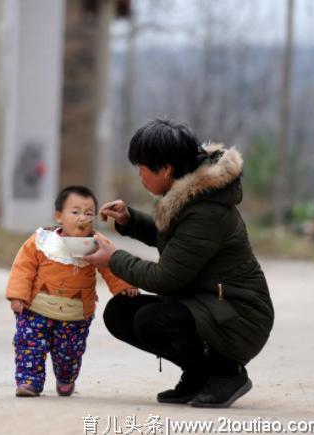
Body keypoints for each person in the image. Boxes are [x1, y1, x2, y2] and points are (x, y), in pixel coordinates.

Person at [84, 119, 274, 408]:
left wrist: (114, 258)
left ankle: (226, 373)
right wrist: (129, 220)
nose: (139, 174)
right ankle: (199, 374)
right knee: (120, 312)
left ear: (167, 169)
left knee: (151, 321)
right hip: (211, 304)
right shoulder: (190, 197)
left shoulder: (206, 211)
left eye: (143, 166)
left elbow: (166, 278)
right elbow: (176, 243)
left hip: (238, 315)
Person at [6, 185, 138, 397]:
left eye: (88, 213)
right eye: (75, 212)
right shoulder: (42, 241)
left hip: (75, 314)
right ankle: (29, 381)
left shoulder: (97, 244)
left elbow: (111, 267)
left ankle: (66, 377)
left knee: (69, 352)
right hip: (36, 309)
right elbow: (23, 267)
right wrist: (17, 295)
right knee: (29, 346)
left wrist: (124, 286)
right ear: (59, 216)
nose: (82, 218)